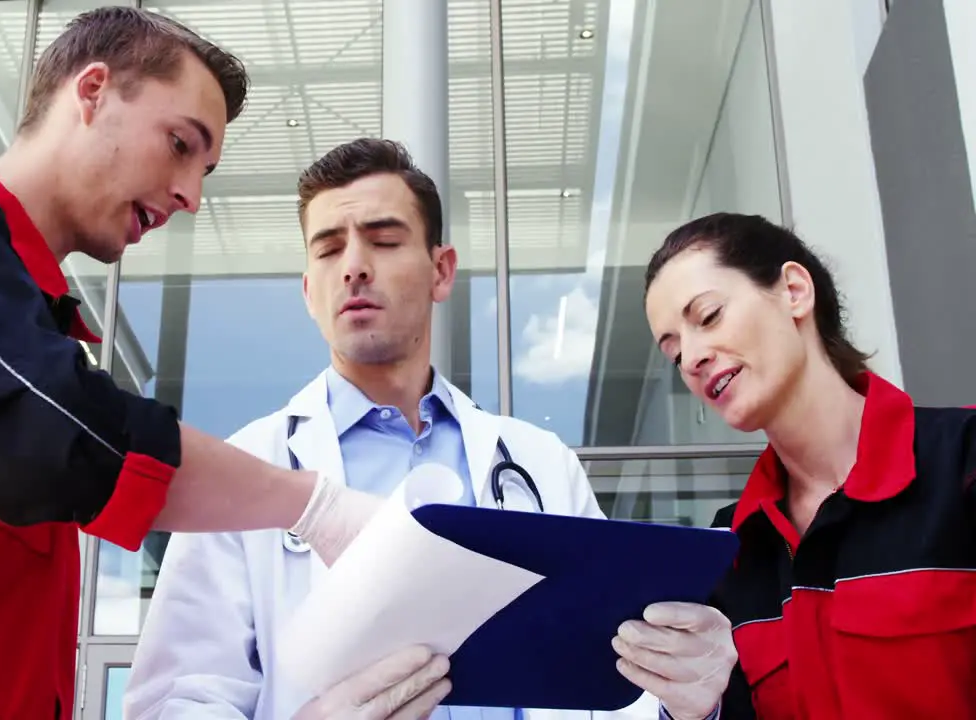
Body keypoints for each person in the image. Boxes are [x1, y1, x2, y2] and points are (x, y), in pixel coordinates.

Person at [0, 9, 382, 720]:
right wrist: (313, 505)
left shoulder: (36, 329)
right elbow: (45, 431)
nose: (191, 198)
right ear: (93, 92)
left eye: (203, 171)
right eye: (179, 145)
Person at [124, 138, 736, 720]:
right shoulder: (250, 468)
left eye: (384, 240)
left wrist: (688, 698)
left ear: (442, 271)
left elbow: (611, 684)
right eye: (329, 248)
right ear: (309, 291)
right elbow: (176, 698)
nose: (355, 267)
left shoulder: (539, 463)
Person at [641, 212, 976, 718]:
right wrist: (700, 711)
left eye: (707, 316)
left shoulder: (964, 461)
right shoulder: (729, 547)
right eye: (674, 352)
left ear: (795, 290)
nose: (690, 358)